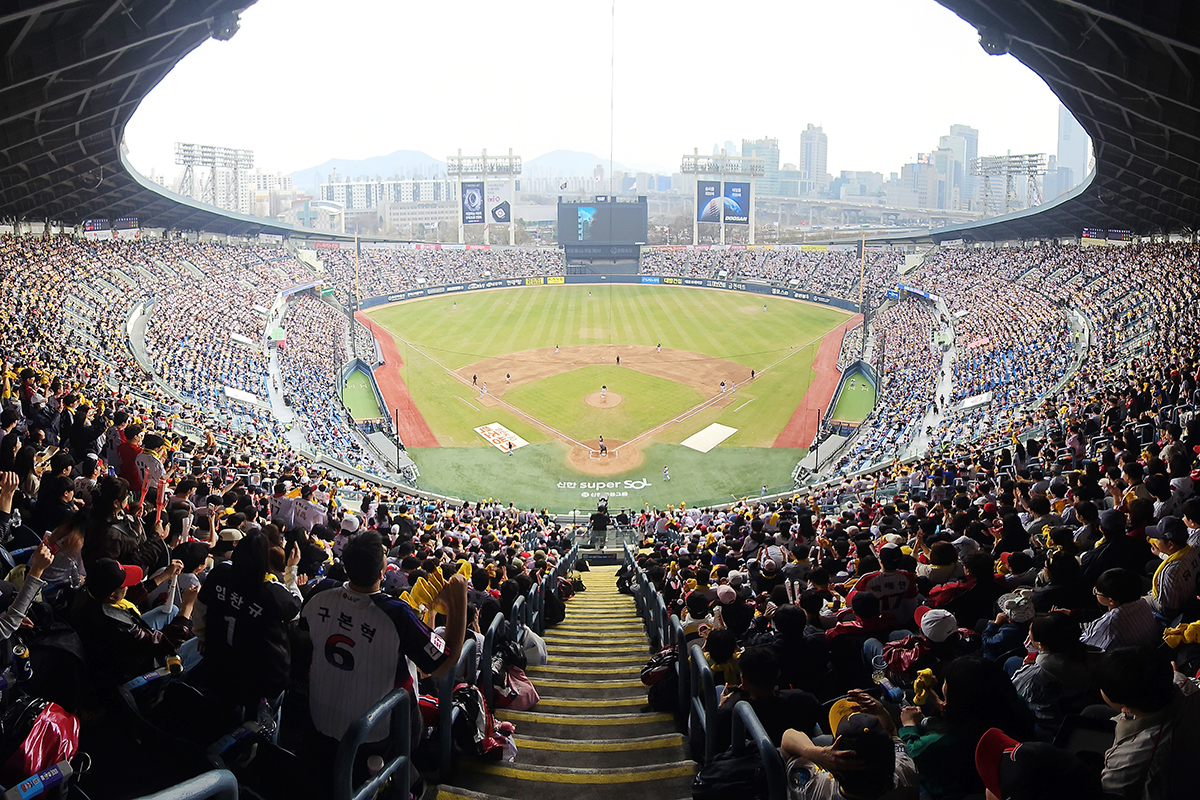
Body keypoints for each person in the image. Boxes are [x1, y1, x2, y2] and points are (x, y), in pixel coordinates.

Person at [301, 531, 468, 748]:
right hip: (375, 731)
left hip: (319, 714)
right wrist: (459, 601)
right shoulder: (396, 614)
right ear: (382, 573)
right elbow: (444, 665)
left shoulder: (320, 592)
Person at [199, 530, 302, 711]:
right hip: (262, 677)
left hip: (219, 662)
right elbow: (295, 609)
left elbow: (200, 606)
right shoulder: (272, 592)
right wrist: (291, 570)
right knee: (261, 717)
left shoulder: (220, 573)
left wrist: (201, 636)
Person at [1098, 646, 1200, 799]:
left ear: (1125, 708)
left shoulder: (1131, 760)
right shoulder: (1182, 684)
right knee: (1092, 712)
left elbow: (1108, 788)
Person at [783, 689, 920, 800]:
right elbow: (893, 735)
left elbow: (787, 738)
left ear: (835, 767)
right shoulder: (907, 774)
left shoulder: (814, 790)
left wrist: (816, 753)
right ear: (892, 759)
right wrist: (881, 712)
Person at [1081, 568, 1161, 650]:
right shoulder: (1142, 602)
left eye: (1097, 592)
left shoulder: (1109, 625)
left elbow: (1086, 647)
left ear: (1111, 601)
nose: (1095, 592)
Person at [1143, 515, 1198, 620]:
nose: (1155, 541)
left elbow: (1168, 610)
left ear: (1170, 545)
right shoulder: (1194, 549)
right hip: (1192, 602)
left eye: (1158, 539)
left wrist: (1147, 599)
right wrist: (1161, 554)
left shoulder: (1169, 572)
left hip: (1178, 615)